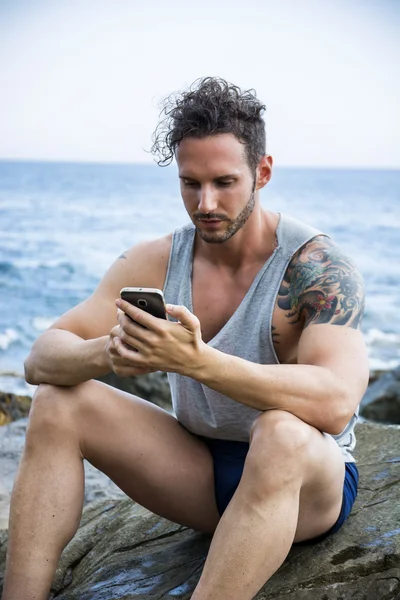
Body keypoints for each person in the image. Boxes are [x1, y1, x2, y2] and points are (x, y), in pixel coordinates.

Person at [2, 77, 369, 600]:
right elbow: (41, 359)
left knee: (281, 433)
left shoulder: (315, 268)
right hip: (200, 471)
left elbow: (334, 404)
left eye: (224, 182)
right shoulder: (157, 259)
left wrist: (197, 362)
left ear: (262, 172)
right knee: (57, 402)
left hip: (305, 486)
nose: (205, 203)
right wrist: (112, 350)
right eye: (190, 183)